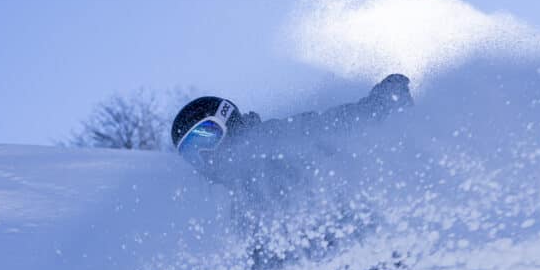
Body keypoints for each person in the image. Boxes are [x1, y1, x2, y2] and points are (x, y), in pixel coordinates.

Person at [171, 74, 413, 198]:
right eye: (193, 152)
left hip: (337, 223)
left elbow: (330, 125)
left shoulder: (267, 139)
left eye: (206, 135)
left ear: (228, 121)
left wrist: (378, 103)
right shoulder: (234, 194)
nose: (206, 153)